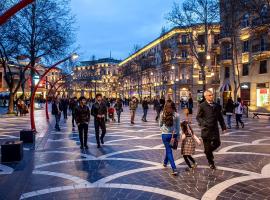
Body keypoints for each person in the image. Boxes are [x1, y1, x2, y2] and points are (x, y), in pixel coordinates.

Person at [196, 90, 226, 170]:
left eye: (212, 95)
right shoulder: (202, 105)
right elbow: (198, 117)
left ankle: (207, 152)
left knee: (217, 143)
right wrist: (204, 123)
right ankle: (211, 163)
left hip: (215, 129)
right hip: (206, 130)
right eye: (209, 95)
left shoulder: (217, 106)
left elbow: (220, 117)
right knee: (207, 147)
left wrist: (223, 127)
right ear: (205, 96)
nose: (211, 96)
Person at [159, 100, 180, 176]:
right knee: (169, 150)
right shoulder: (176, 115)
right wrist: (178, 136)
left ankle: (169, 165)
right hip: (173, 135)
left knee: (168, 150)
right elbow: (178, 127)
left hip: (165, 135)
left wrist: (164, 130)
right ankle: (173, 167)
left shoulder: (162, 114)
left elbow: (160, 124)